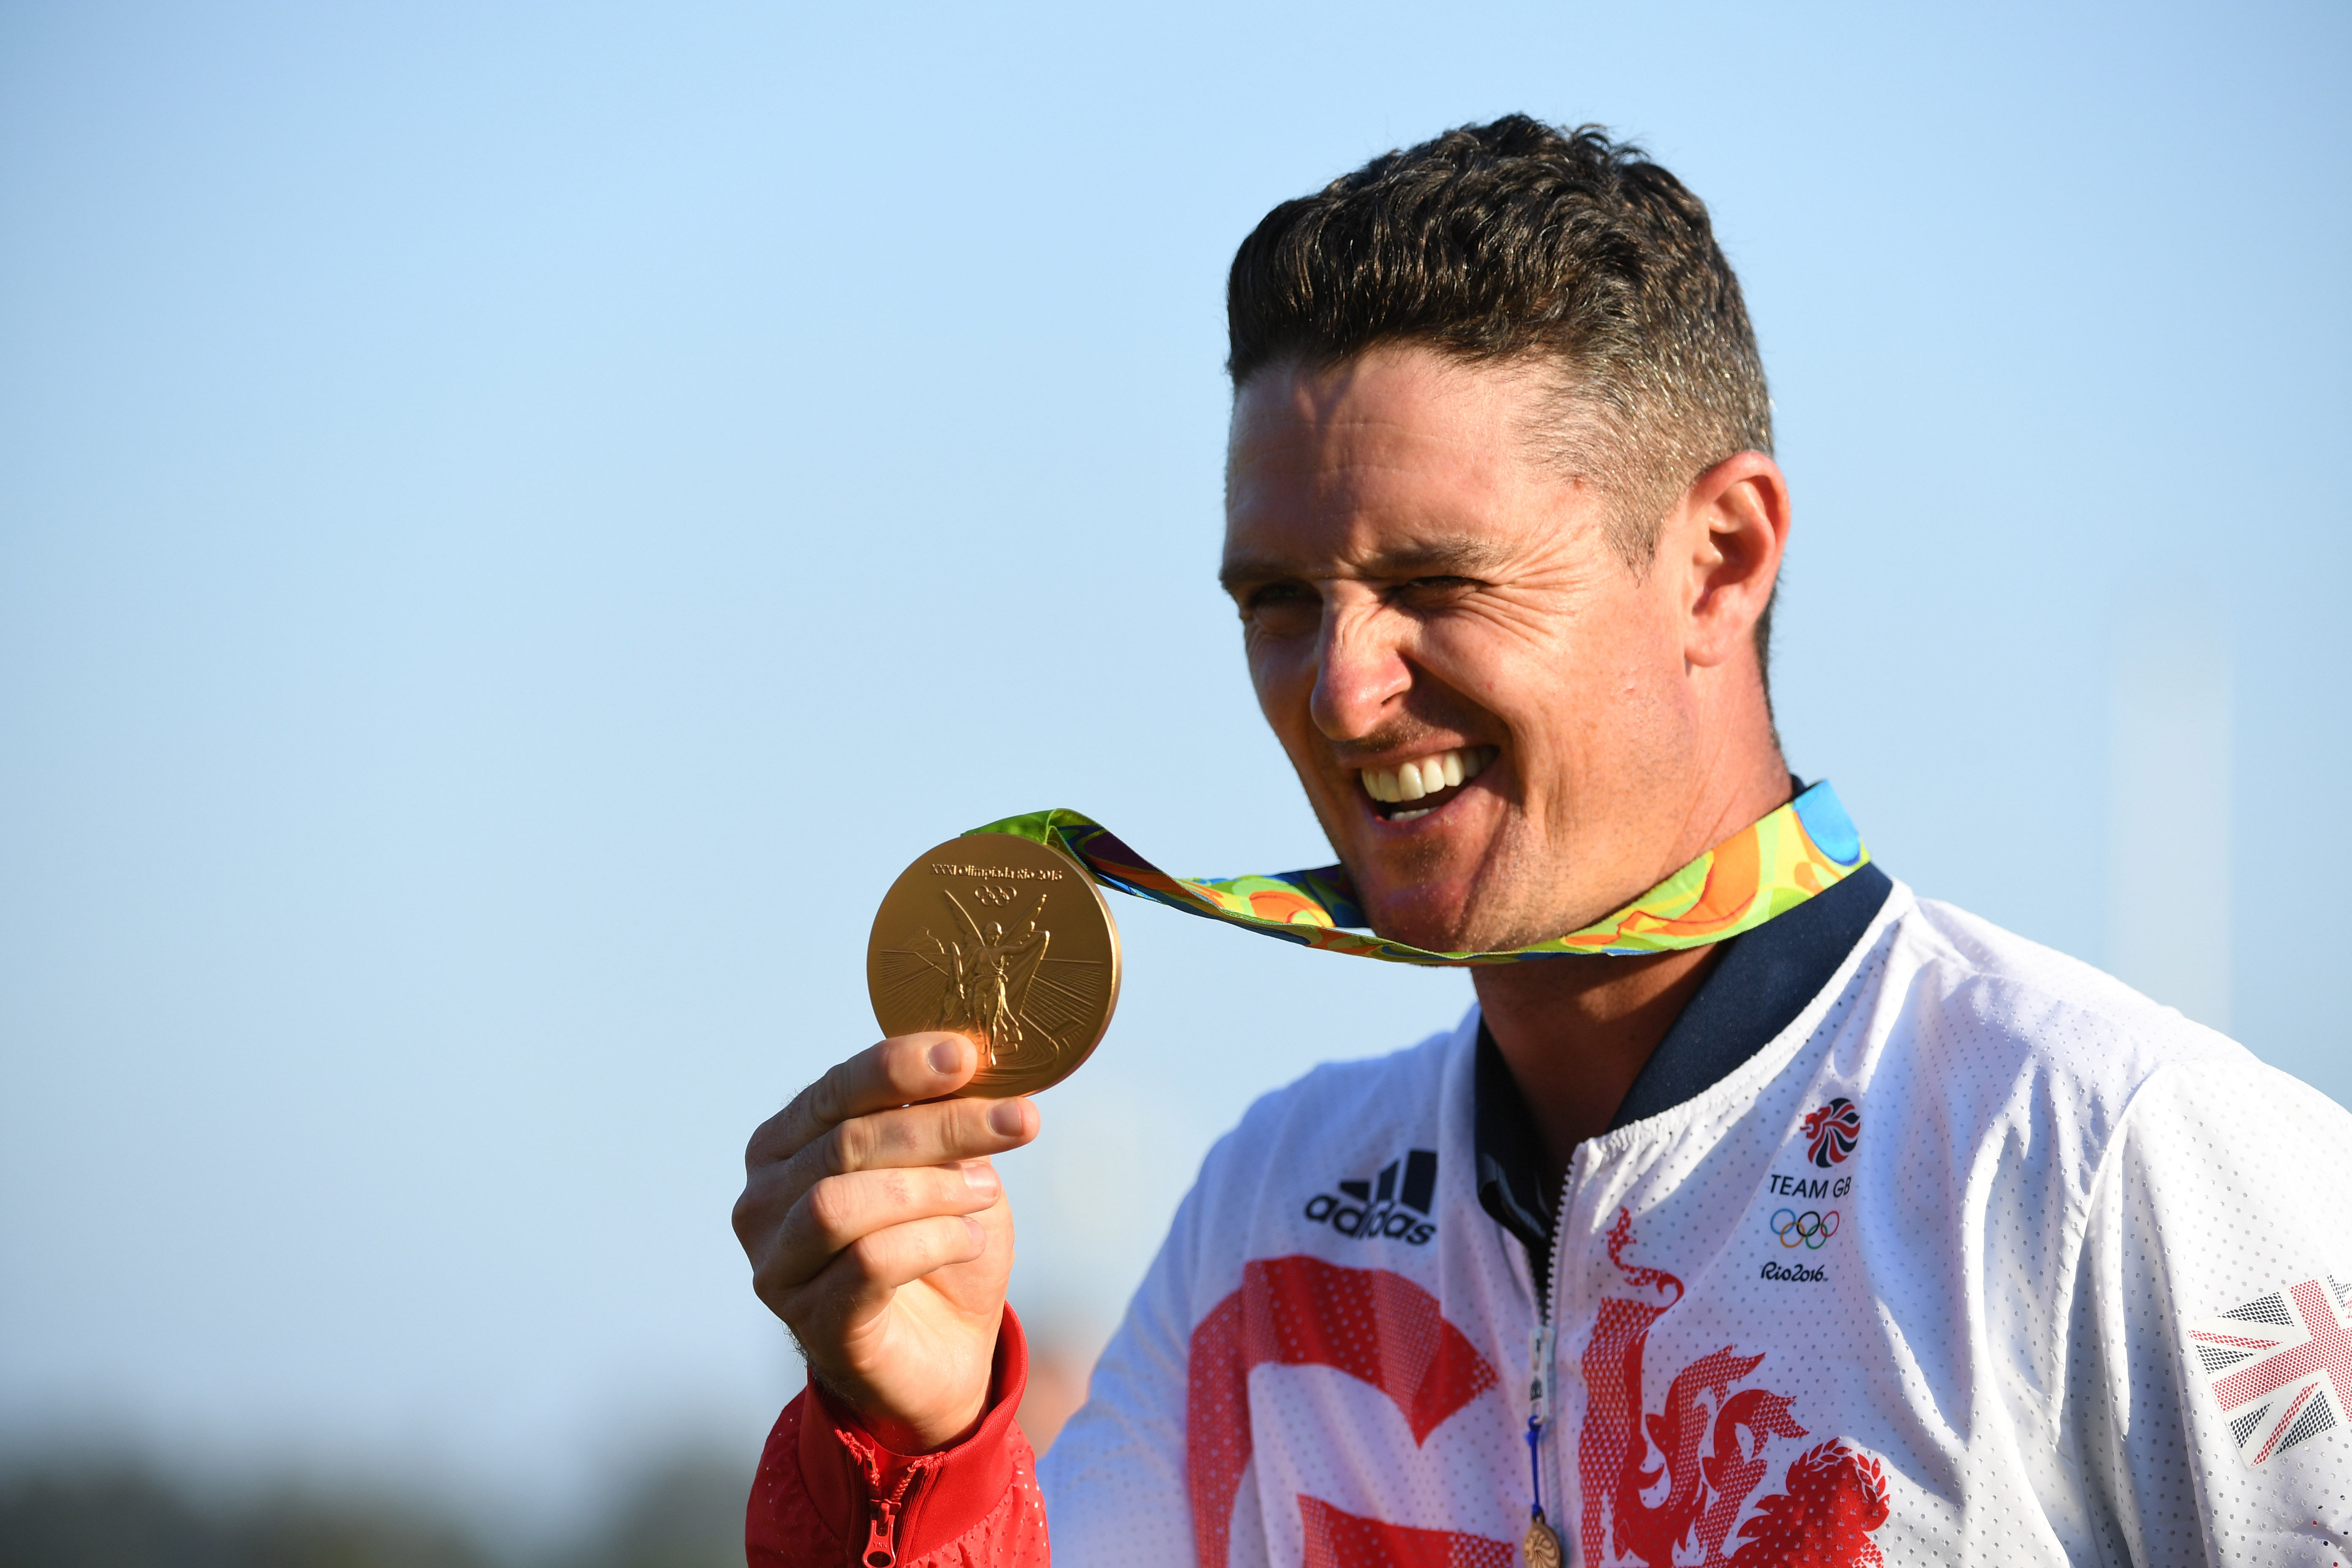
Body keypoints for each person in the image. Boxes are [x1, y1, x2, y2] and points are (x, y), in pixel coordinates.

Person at [730, 118, 2352, 1566]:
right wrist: (924, 1449)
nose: (1344, 696)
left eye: (1440, 585)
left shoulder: (2112, 1159)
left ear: (1721, 560)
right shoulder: (1270, 1217)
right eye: (1279, 602)